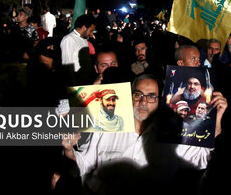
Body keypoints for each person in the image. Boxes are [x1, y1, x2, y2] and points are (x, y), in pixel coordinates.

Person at [60, 74, 213, 192]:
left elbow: (204, 159)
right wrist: (69, 151)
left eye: (151, 96)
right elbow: (84, 163)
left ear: (160, 101)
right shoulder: (107, 126)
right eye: (138, 95)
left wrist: (215, 127)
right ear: (130, 97)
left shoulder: (170, 135)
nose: (143, 101)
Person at [60, 14, 96, 85]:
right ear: (84, 27)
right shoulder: (69, 39)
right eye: (91, 31)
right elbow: (67, 65)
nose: (91, 34)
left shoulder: (84, 39)